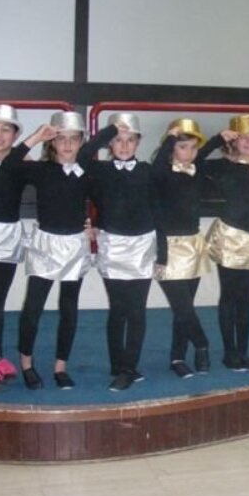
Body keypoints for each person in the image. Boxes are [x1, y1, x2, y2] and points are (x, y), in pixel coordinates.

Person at [16, 110, 109, 390]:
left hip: (74, 244)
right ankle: (26, 363)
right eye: (61, 138)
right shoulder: (41, 170)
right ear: (52, 142)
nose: (67, 144)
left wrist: (96, 224)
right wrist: (34, 138)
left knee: (69, 308)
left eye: (74, 139)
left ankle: (60, 366)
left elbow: (105, 200)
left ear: (82, 142)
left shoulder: (87, 173)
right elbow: (10, 164)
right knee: (33, 306)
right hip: (46, 243)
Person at [0, 104, 54, 389]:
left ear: (14, 135)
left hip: (8, 240)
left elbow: (51, 178)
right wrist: (34, 139)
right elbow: (1, 173)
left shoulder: (21, 166)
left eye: (6, 129)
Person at [88, 113, 167, 391]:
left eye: (130, 140)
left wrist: (163, 254)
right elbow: (84, 154)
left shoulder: (147, 171)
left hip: (143, 245)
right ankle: (117, 364)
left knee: (137, 310)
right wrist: (108, 130)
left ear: (138, 143)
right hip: (113, 245)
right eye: (118, 140)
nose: (124, 146)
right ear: (109, 144)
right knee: (118, 309)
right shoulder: (101, 171)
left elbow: (158, 212)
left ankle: (129, 367)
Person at [204, 114, 249, 372]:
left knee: (245, 296)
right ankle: (229, 352)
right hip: (230, 238)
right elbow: (194, 161)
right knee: (229, 294)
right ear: (234, 141)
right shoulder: (223, 167)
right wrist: (216, 140)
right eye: (243, 137)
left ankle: (243, 351)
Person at [153, 118, 217, 379]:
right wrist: (170, 137)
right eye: (182, 147)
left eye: (192, 148)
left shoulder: (196, 170)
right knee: (182, 307)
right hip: (168, 245)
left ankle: (177, 357)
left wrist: (220, 138)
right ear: (171, 149)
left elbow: (206, 152)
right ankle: (202, 344)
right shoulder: (161, 173)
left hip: (193, 244)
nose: (188, 153)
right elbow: (158, 166)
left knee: (185, 307)